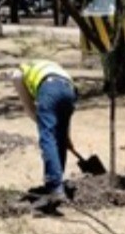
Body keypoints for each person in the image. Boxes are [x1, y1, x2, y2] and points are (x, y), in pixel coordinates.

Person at [13, 59, 78, 211]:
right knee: (59, 139)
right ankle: (57, 182)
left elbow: (29, 108)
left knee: (48, 138)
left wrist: (44, 124)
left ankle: (55, 188)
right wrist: (66, 135)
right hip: (70, 91)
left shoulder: (19, 73)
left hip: (49, 88)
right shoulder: (49, 65)